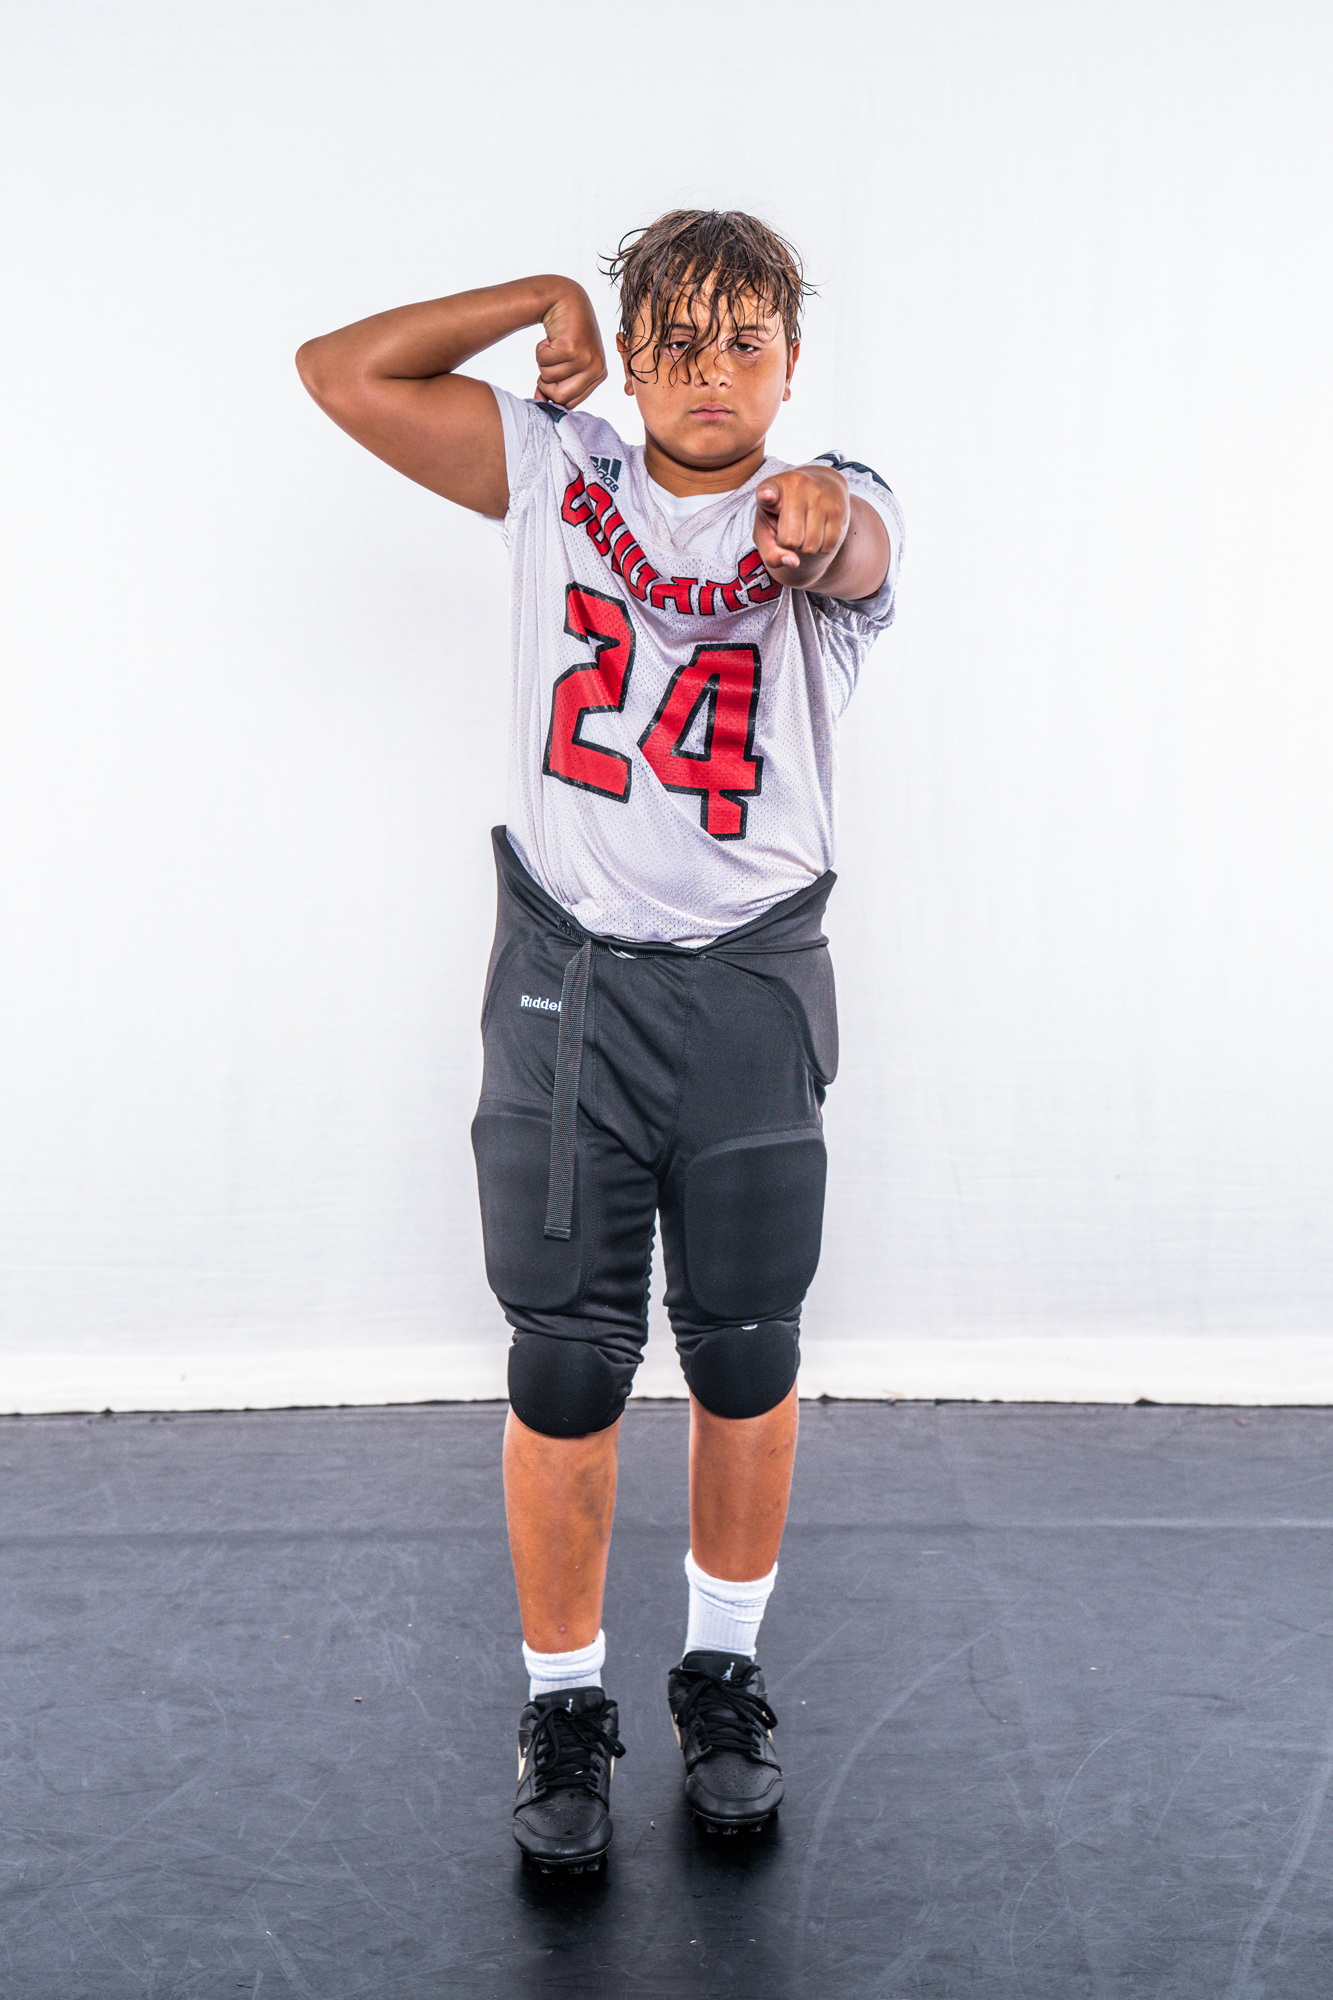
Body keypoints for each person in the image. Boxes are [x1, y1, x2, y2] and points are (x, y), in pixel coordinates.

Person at [295, 209, 903, 1874]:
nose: (710, 374)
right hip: (568, 982)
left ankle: (721, 1673)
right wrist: (538, 298)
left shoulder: (833, 499)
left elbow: (852, 546)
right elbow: (340, 373)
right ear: (629, 361)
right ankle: (562, 1700)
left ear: (790, 362)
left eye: (744, 343)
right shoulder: (558, 470)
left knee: (745, 1346)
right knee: (565, 1360)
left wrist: (822, 515)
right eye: (675, 342)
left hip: (749, 983)